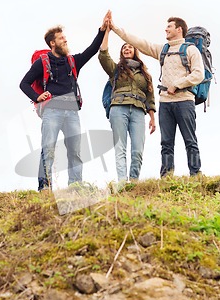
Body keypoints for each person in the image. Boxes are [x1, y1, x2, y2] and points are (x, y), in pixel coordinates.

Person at [20, 13, 109, 190]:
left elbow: (91, 50)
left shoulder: (73, 61)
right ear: (52, 43)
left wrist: (102, 30)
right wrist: (37, 97)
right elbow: (24, 83)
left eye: (65, 37)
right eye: (61, 38)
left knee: (75, 151)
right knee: (49, 149)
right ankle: (45, 187)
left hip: (72, 112)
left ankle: (75, 186)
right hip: (51, 111)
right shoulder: (42, 63)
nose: (65, 40)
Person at [108, 13, 204, 177]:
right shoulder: (162, 50)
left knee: (190, 140)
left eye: (169, 26)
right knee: (166, 142)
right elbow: (139, 42)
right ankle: (167, 176)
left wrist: (177, 84)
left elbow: (198, 74)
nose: (166, 29)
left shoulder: (191, 50)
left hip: (185, 100)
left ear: (179, 29)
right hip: (165, 102)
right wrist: (115, 28)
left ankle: (195, 174)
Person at [98, 22, 156, 183]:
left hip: (138, 110)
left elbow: (150, 98)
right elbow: (103, 55)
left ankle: (134, 181)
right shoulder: (116, 69)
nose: (127, 49)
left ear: (135, 51)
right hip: (118, 108)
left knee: (137, 150)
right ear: (122, 53)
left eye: (130, 47)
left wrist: (152, 118)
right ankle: (123, 183)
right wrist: (107, 32)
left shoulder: (145, 74)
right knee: (120, 148)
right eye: (124, 48)